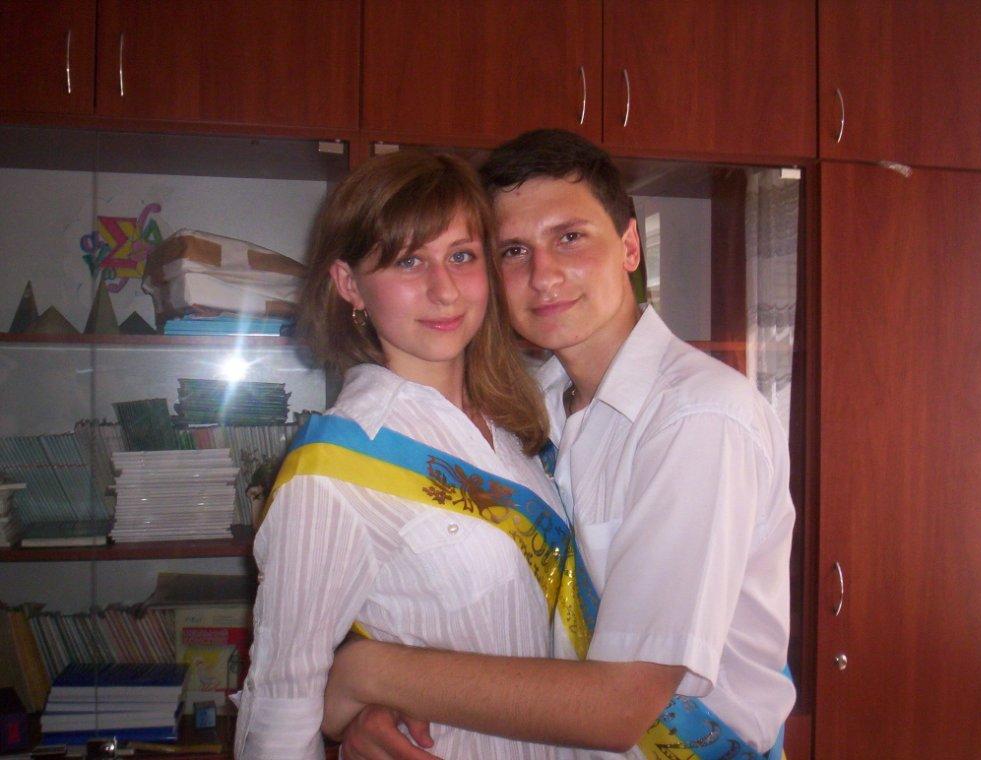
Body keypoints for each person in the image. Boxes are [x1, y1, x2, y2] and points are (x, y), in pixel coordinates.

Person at [322, 130, 796, 759]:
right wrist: (378, 708)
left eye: (570, 237)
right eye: (513, 250)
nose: (543, 276)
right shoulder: (528, 406)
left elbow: (618, 709)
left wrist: (364, 674)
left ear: (630, 246)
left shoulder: (698, 418)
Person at [232, 150, 569, 759]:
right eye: (409, 261)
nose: (444, 290)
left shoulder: (519, 424)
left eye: (462, 256)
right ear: (349, 285)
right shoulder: (335, 468)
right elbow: (281, 706)